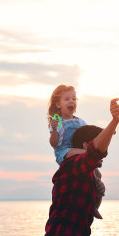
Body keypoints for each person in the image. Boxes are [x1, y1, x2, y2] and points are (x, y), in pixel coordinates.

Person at [41, 98, 119, 236]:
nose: (105, 153)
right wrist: (114, 122)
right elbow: (96, 152)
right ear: (86, 146)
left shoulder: (88, 175)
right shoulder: (72, 166)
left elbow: (94, 211)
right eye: (98, 144)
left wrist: (98, 186)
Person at [48, 84, 104, 219]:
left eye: (74, 98)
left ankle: (95, 206)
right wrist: (54, 130)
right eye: (66, 99)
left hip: (80, 152)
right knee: (81, 152)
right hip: (64, 152)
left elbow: (91, 134)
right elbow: (54, 143)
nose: (71, 101)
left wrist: (106, 133)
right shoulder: (58, 122)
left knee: (98, 175)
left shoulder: (80, 121)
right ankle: (93, 160)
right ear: (58, 104)